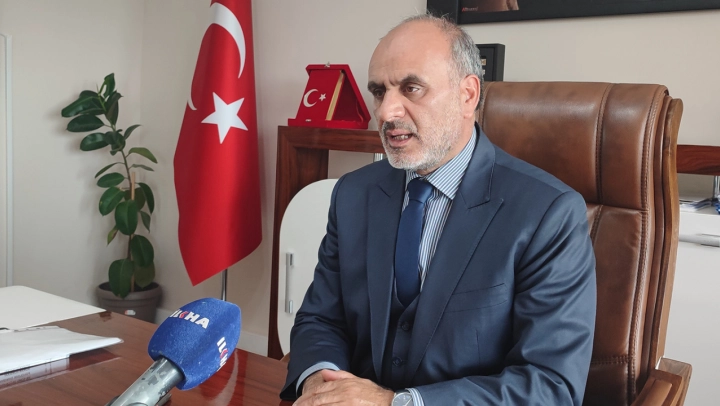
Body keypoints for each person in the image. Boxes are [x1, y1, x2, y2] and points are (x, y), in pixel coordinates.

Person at [281, 13, 596, 406]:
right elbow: (321, 319)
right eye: (379, 91)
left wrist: (397, 403)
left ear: (468, 95)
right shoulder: (353, 193)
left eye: (411, 88)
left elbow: (550, 385)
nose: (386, 112)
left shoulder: (549, 213)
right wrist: (319, 383)